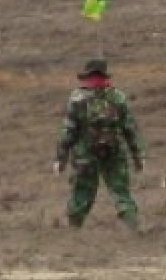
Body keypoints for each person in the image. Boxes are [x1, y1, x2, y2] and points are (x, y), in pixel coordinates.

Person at [54, 59, 145, 229]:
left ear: (87, 75)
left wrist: (60, 158)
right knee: (121, 191)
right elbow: (130, 129)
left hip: (84, 156)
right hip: (114, 152)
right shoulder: (118, 96)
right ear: (104, 74)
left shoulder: (77, 98)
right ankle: (134, 227)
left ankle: (73, 231)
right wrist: (138, 156)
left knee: (81, 193)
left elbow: (69, 131)